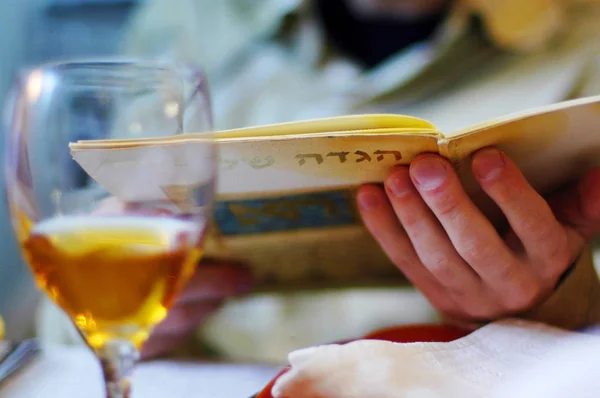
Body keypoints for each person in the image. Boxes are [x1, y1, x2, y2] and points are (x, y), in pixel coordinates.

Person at [36, 0, 600, 361]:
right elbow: (72, 315)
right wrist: (106, 317)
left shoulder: (587, 43)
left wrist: (551, 310)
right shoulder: (184, 21)